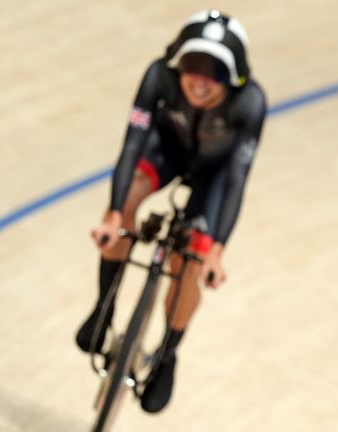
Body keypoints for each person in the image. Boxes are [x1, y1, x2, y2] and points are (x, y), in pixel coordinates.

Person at [74, 9, 266, 413]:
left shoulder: (250, 102)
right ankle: (103, 309)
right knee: (126, 203)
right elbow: (131, 144)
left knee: (190, 259)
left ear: (234, 79)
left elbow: (236, 179)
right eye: (192, 65)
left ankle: (168, 351)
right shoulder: (158, 76)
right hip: (167, 151)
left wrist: (217, 250)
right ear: (177, 61)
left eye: (215, 72)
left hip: (213, 175)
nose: (200, 80)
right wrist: (113, 215)